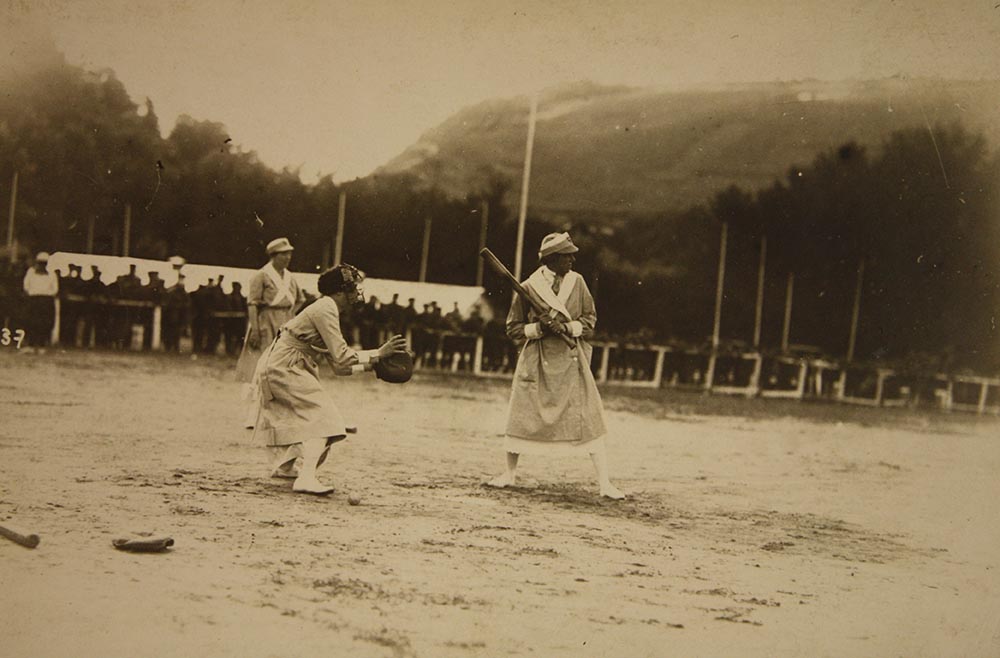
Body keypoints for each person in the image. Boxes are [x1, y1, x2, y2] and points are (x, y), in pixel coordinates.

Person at [486, 232, 625, 499]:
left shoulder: (578, 282)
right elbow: (513, 328)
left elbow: (590, 319)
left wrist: (566, 327)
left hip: (572, 360)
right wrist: (540, 328)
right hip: (537, 359)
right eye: (567, 255)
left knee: (588, 416)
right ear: (551, 259)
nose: (572, 259)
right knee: (521, 415)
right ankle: (509, 473)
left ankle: (605, 483)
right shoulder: (527, 286)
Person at [250, 263, 407, 494]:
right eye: (352, 288)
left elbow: (339, 367)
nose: (357, 293)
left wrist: (374, 366)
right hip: (284, 366)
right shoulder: (326, 308)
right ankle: (305, 478)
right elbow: (343, 356)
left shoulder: (326, 308)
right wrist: (378, 353)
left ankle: (286, 467)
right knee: (325, 419)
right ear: (340, 291)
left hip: (283, 364)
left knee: (312, 418)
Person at [236, 237, 306, 427]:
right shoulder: (261, 275)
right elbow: (252, 304)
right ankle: (253, 414)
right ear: (274, 256)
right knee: (261, 368)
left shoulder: (290, 277)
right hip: (265, 323)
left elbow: (300, 299)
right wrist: (256, 329)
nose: (288, 257)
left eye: (290, 253)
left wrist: (291, 314)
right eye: (284, 254)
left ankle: (278, 413)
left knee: (283, 368)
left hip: (285, 325)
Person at [22, 252, 59, 352]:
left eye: (44, 263)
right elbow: (26, 285)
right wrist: (31, 293)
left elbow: (55, 289)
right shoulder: (31, 272)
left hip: (46, 300)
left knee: (44, 323)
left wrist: (46, 294)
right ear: (37, 262)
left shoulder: (52, 274)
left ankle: (42, 345)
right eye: (40, 263)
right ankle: (30, 344)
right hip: (33, 299)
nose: (42, 265)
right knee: (31, 322)